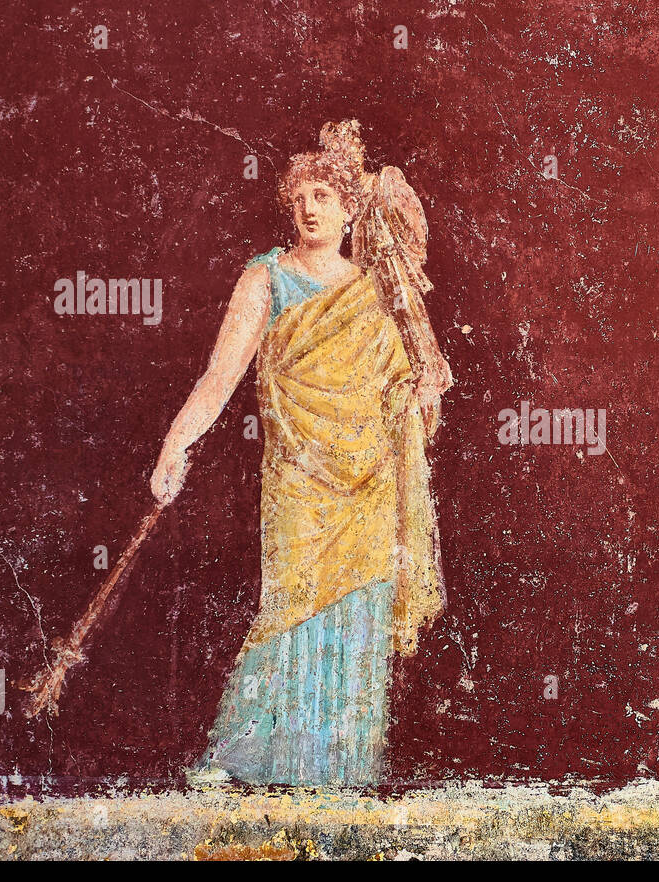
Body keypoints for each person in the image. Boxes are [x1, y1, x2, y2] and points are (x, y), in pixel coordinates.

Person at [151, 119, 451, 786]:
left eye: (324, 195)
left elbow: (400, 395)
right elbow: (218, 377)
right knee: (288, 612)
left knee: (356, 628)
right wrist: (176, 442)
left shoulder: (374, 291)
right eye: (300, 197)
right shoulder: (266, 278)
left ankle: (339, 786)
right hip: (299, 484)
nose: (310, 207)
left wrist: (420, 392)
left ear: (350, 208)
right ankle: (256, 772)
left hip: (368, 491)